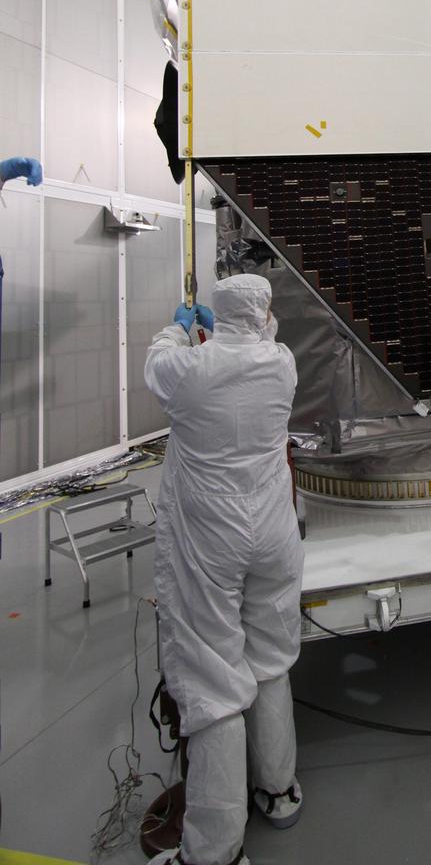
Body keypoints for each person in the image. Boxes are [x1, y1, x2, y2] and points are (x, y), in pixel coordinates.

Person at [144, 273, 304, 865]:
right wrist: (230, 330)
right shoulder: (281, 364)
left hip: (212, 541)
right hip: (272, 533)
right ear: (263, 315)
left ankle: (214, 850)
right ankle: (278, 789)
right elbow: (261, 338)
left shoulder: (189, 372)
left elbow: (159, 364)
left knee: (212, 682)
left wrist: (182, 330)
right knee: (269, 659)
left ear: (217, 315)